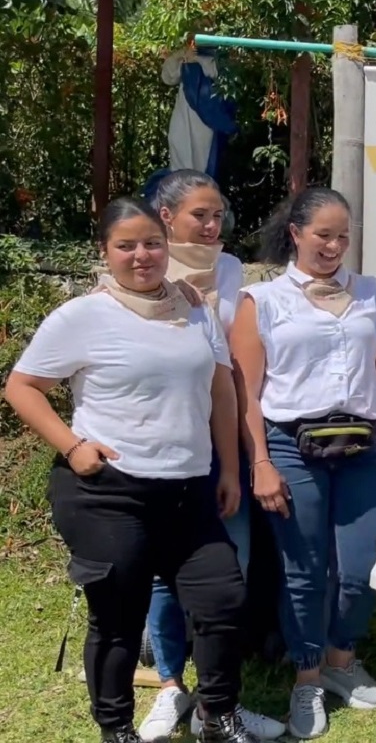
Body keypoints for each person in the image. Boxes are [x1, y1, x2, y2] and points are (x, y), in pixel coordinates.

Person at [4, 196, 257, 743]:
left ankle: (219, 715)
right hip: (109, 493)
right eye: (126, 246)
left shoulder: (194, 308)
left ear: (167, 247)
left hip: (190, 488)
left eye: (151, 244)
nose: (141, 255)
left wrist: (230, 470)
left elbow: (220, 390)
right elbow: (22, 388)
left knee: (223, 600)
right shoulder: (84, 315)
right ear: (106, 252)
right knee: (119, 618)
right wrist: (73, 448)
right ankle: (116, 729)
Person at [229, 188, 376, 740]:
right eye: (323, 235)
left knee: (360, 569)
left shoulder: (375, 293)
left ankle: (340, 657)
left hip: (364, 446)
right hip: (289, 445)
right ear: (296, 234)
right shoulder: (264, 301)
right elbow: (246, 391)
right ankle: (306, 676)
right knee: (303, 572)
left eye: (343, 236)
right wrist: (259, 459)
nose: (334, 245)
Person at [135, 171, 283, 742]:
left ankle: (216, 703)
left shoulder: (228, 270)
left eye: (218, 214)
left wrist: (242, 455)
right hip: (159, 448)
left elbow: (235, 368)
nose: (213, 224)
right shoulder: (135, 271)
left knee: (230, 570)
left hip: (220, 444)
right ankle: (171, 687)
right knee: (161, 577)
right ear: (166, 217)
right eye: (201, 214)